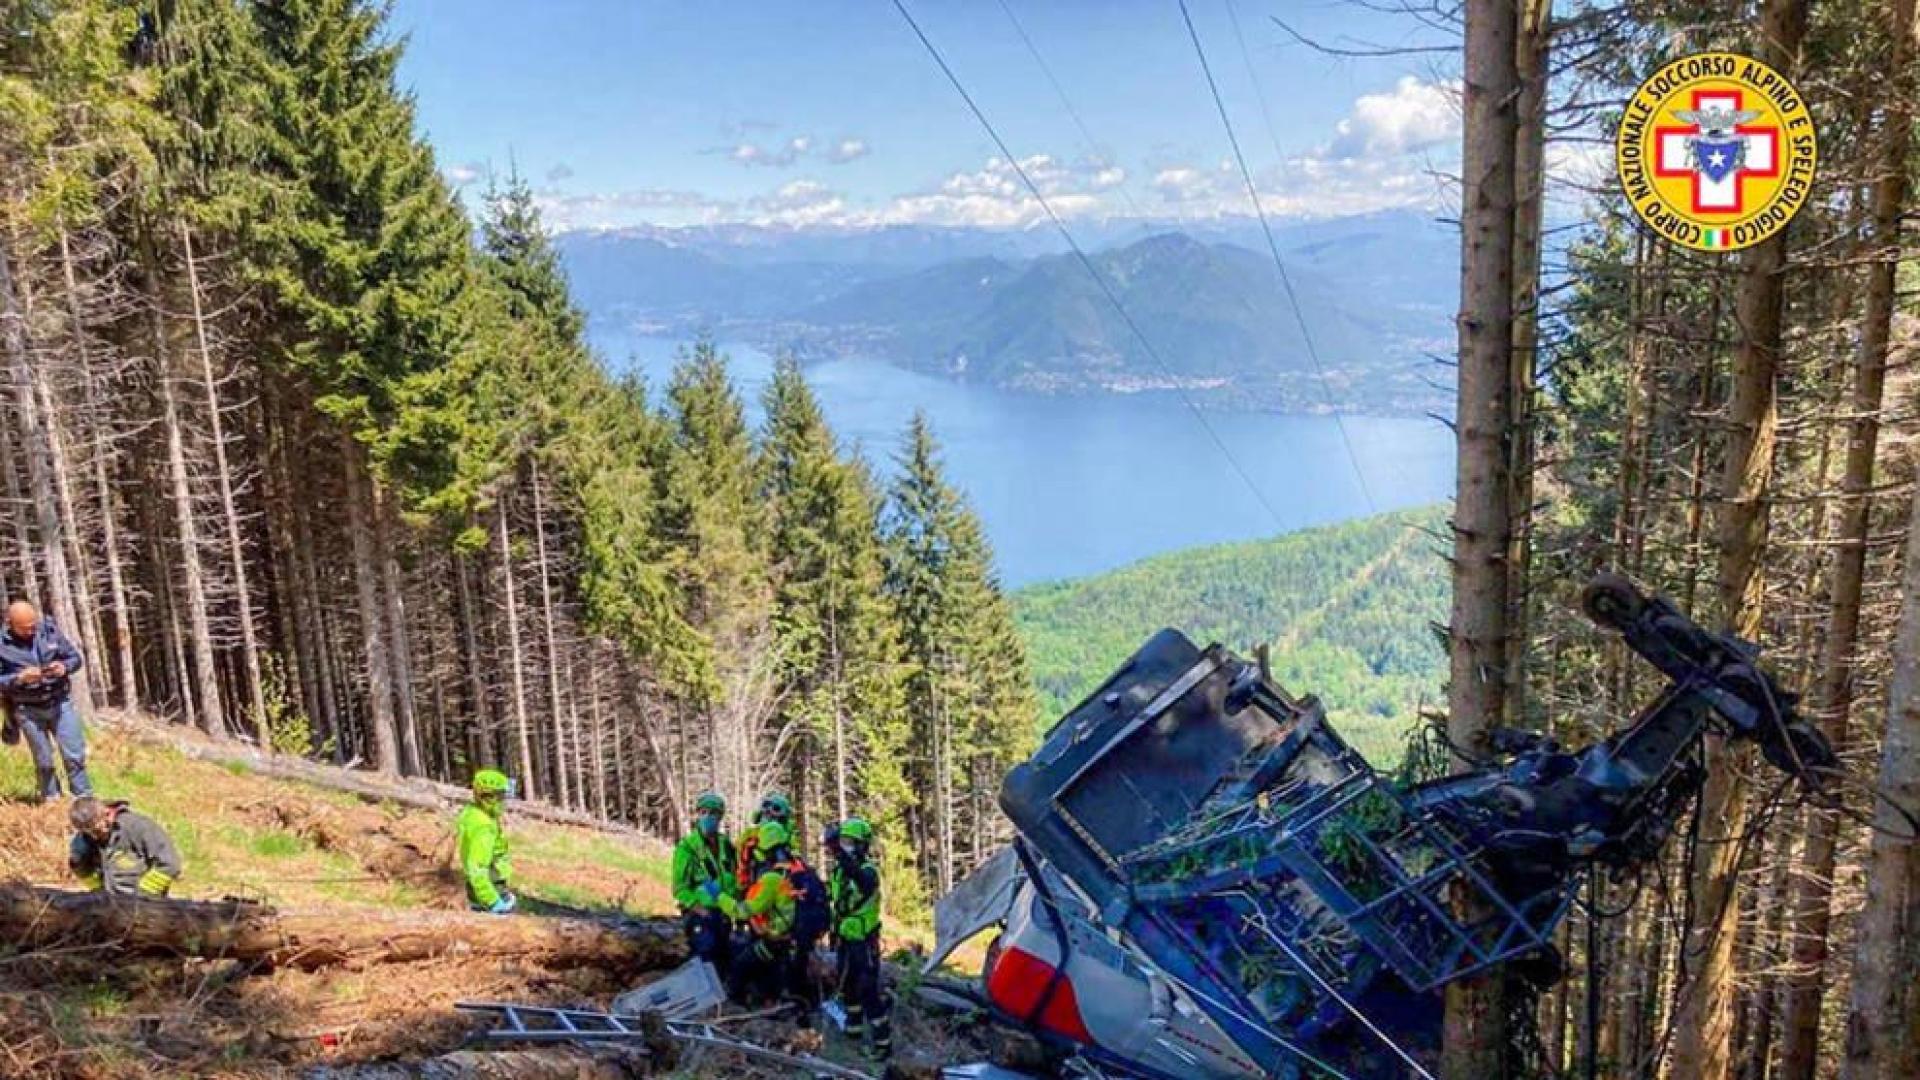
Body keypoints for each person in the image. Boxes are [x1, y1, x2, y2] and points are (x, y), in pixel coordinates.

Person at [0, 600, 92, 802]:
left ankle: (84, 799)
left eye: (33, 625)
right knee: (44, 761)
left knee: (74, 755)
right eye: (25, 629)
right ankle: (52, 800)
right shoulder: (2, 645)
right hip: (27, 709)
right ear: (10, 624)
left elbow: (75, 658)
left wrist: (64, 667)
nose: (31, 631)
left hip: (60, 702)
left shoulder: (49, 631)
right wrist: (19, 678)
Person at [727, 820, 824, 1010]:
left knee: (742, 965)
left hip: (777, 939)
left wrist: (720, 897)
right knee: (782, 974)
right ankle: (781, 1003)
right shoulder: (798, 868)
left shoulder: (771, 877)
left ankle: (742, 1004)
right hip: (796, 939)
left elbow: (746, 909)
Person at [827, 816, 891, 1059]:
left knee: (868, 991)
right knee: (848, 989)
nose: (845, 847)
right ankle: (853, 1032)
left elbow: (862, 883)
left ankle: (883, 1044)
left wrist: (839, 852)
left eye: (850, 842)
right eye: (842, 842)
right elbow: (838, 903)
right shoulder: (838, 872)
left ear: (862, 845)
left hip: (864, 942)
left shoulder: (867, 871)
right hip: (845, 938)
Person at [672, 790, 739, 983]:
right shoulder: (688, 847)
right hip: (701, 915)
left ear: (720, 817)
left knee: (724, 959)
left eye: (714, 813)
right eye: (704, 812)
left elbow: (733, 877)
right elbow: (679, 888)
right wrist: (698, 908)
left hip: (724, 912)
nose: (709, 817)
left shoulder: (726, 845)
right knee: (705, 955)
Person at [68, 796, 181, 897]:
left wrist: (143, 895)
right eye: (88, 833)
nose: (94, 837)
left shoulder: (138, 827)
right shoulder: (83, 840)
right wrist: (99, 891)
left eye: (97, 831)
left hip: (144, 903)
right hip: (110, 904)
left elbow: (169, 864)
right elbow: (80, 868)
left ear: (108, 814)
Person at [458, 769, 517, 913]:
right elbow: (477, 868)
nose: (504, 802)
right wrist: (493, 901)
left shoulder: (474, 814)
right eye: (502, 797)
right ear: (489, 798)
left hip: (485, 888)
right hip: (490, 889)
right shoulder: (483, 827)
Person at [734, 790, 794, 893]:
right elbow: (736, 855)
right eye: (766, 806)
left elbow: (789, 862)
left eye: (776, 808)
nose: (768, 811)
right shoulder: (749, 834)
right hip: (749, 885)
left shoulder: (786, 836)